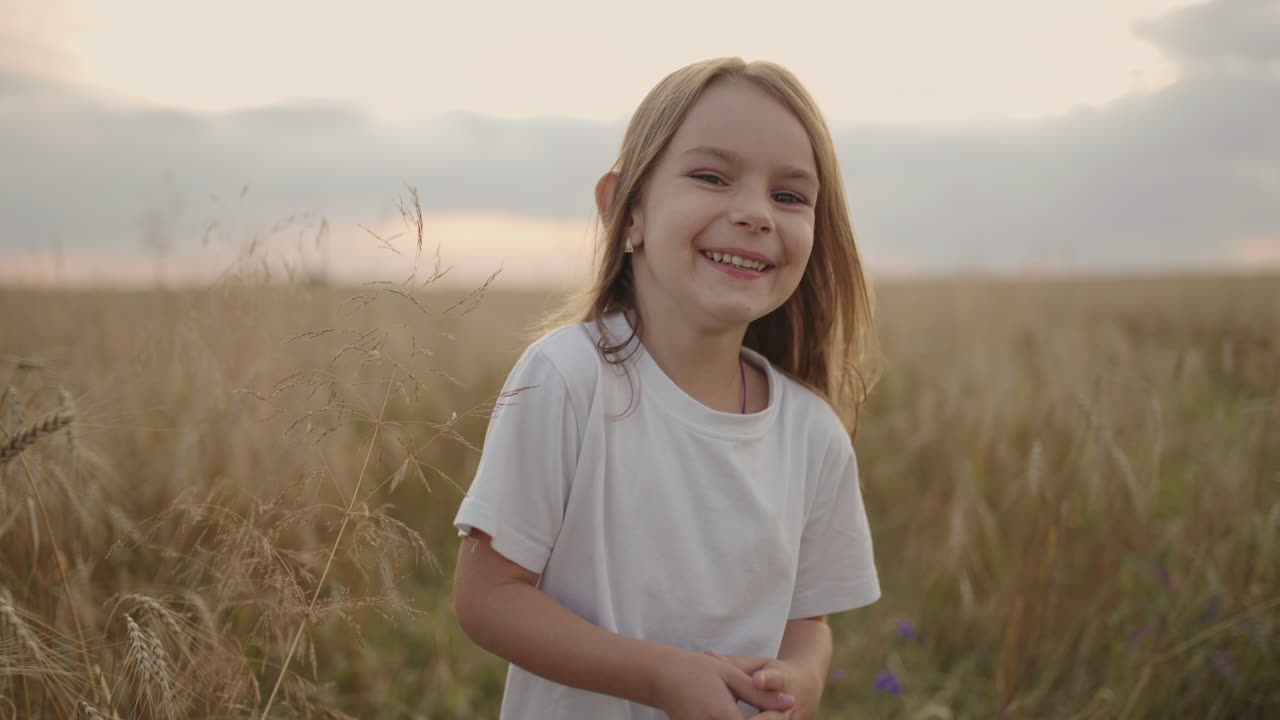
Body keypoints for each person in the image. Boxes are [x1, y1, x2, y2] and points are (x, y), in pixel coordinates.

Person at [453, 56, 881, 720]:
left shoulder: (811, 434)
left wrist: (799, 678)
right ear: (626, 211)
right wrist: (658, 677)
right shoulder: (567, 380)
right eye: (712, 177)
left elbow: (810, 623)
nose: (755, 213)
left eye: (789, 196)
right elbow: (488, 598)